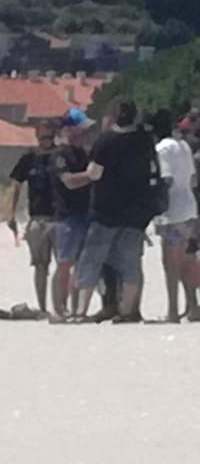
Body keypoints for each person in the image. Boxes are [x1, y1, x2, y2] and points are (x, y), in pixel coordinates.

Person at [74, 100, 158, 322]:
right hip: (136, 212)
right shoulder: (144, 139)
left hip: (106, 210)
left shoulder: (105, 140)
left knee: (92, 260)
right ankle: (128, 310)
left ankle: (80, 310)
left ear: (114, 116)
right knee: (131, 264)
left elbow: (94, 173)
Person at [7, 122, 61, 315]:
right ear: (37, 137)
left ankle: (61, 306)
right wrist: (11, 214)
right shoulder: (29, 158)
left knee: (63, 263)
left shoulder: (62, 155)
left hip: (60, 217)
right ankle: (42, 306)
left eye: (49, 137)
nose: (46, 141)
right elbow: (16, 186)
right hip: (37, 218)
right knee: (40, 265)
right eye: (42, 137)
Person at [152, 108, 198, 323]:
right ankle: (193, 306)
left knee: (171, 262)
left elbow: (166, 179)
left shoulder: (162, 149)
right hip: (189, 210)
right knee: (188, 259)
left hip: (172, 215)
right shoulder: (184, 146)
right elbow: (193, 179)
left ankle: (172, 310)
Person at [49, 114, 93, 320]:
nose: (85, 133)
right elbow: (68, 181)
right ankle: (59, 308)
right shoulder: (60, 155)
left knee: (81, 263)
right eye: (81, 129)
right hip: (67, 216)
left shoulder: (83, 153)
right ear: (68, 130)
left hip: (85, 213)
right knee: (64, 263)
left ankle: (76, 308)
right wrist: (90, 175)